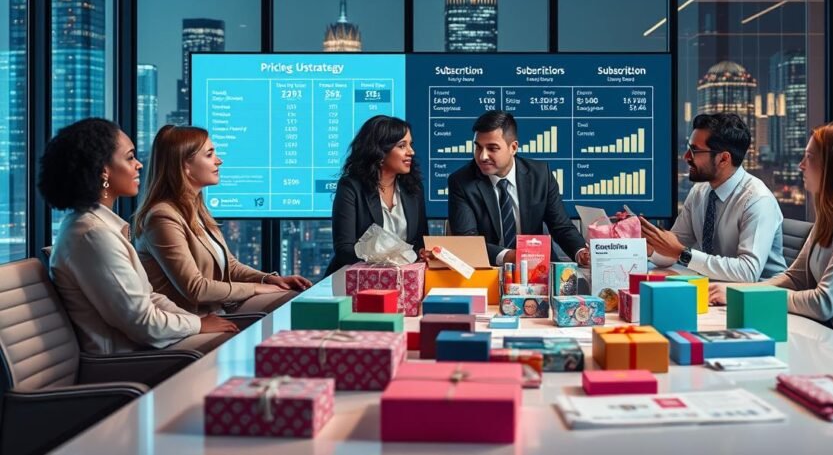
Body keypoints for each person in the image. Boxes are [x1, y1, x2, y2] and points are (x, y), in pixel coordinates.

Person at [42, 118, 238, 354]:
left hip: (149, 352)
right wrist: (198, 324)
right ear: (104, 170)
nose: (139, 165)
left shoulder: (96, 228)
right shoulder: (93, 236)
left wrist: (197, 322)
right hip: (131, 363)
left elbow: (149, 297)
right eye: (129, 157)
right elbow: (143, 323)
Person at [710, 120, 833, 343]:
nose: (801, 165)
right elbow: (795, 279)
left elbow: (823, 304)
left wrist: (748, 295)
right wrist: (738, 291)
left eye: (809, 157)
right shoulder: (832, 216)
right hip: (829, 339)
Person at [135, 125, 310, 317]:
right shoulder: (162, 218)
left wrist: (269, 280)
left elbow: (231, 267)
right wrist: (256, 288)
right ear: (185, 166)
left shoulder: (196, 209)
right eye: (209, 155)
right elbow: (196, 288)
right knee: (290, 306)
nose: (219, 161)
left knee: (293, 296)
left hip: (218, 310)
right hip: (192, 322)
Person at [640, 112, 786, 282]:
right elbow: (672, 249)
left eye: (694, 150)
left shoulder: (757, 200)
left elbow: (747, 272)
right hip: (714, 290)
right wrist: (651, 247)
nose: (686, 156)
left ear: (724, 158)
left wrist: (682, 253)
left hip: (760, 298)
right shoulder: (700, 192)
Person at [448, 110, 589, 267]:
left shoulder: (541, 175)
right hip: (491, 268)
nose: (482, 156)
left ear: (513, 148)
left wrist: (581, 252)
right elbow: (467, 241)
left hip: (538, 267)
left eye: (492, 148)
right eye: (478, 148)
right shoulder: (461, 181)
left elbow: (561, 226)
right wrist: (510, 256)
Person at [327, 115, 428, 274]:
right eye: (402, 146)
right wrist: (388, 262)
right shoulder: (350, 187)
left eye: (410, 145)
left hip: (404, 279)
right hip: (356, 278)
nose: (411, 152)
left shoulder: (414, 189)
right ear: (380, 152)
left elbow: (420, 243)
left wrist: (422, 253)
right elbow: (344, 249)